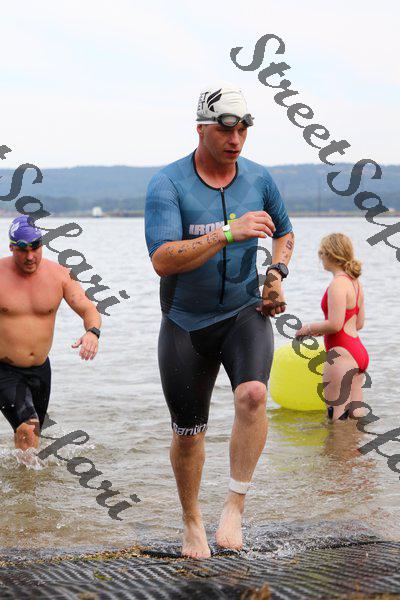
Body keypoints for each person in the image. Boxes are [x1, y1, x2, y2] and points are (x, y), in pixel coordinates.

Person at [145, 82, 295, 558]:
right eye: (226, 129)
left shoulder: (259, 179)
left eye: (243, 129)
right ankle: (192, 521)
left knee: (254, 395)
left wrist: (275, 275)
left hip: (242, 312)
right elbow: (163, 259)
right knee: (188, 434)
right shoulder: (168, 184)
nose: (236, 139)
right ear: (201, 129)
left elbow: (284, 231)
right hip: (185, 323)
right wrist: (228, 233)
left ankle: (234, 508)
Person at [0, 215, 101, 451]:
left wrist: (92, 332)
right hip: (4, 369)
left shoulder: (60, 275)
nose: (30, 256)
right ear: (11, 248)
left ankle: (20, 474)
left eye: (35, 248)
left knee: (31, 436)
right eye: (22, 250)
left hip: (41, 370)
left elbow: (88, 308)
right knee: (28, 426)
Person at [295, 233, 369, 420]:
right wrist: (324, 330)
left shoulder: (338, 284)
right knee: (356, 416)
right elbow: (358, 323)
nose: (320, 258)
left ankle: (337, 442)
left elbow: (335, 324)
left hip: (341, 354)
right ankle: (357, 441)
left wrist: (308, 329)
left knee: (336, 417)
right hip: (358, 352)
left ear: (330, 254)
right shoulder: (355, 283)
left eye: (321, 253)